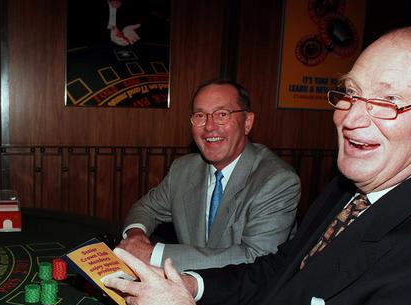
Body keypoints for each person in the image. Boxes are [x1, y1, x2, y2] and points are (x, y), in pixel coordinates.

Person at [105, 25, 411, 305]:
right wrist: (192, 285)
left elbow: (253, 256)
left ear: (247, 123)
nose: (350, 118)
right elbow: (281, 271)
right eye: (351, 93)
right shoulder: (344, 190)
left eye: (388, 100)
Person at [119, 80, 301, 271]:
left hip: (250, 298)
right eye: (200, 116)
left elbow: (256, 257)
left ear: (247, 123)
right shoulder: (183, 169)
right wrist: (135, 235)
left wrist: (154, 254)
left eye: (222, 114)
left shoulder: (277, 180)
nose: (209, 126)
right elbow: (146, 208)